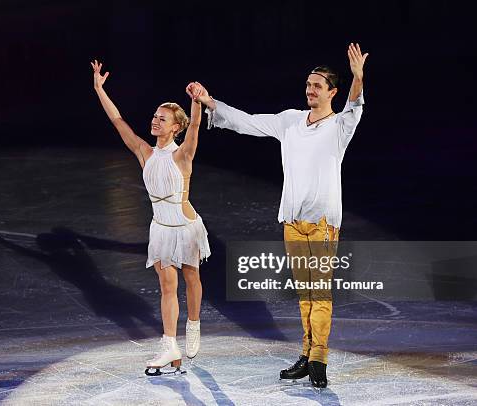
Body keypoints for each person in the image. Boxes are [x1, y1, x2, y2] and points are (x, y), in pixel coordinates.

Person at [186, 43, 369, 388]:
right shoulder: (290, 121)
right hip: (293, 223)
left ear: (332, 91)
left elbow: (355, 104)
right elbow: (249, 122)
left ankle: (319, 358)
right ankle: (306, 353)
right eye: (308, 84)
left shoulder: (340, 126)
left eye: (317, 85)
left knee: (320, 293)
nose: (310, 90)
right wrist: (211, 102)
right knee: (304, 294)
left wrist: (358, 76)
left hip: (322, 224)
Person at [91, 60, 211, 376]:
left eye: (162, 119)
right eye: (155, 116)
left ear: (175, 127)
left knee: (191, 279)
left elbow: (196, 127)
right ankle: (170, 344)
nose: (155, 121)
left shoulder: (182, 154)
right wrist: (99, 90)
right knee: (167, 288)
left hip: (186, 228)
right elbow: (118, 121)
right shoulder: (145, 152)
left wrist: (195, 100)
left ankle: (194, 323)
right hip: (160, 230)